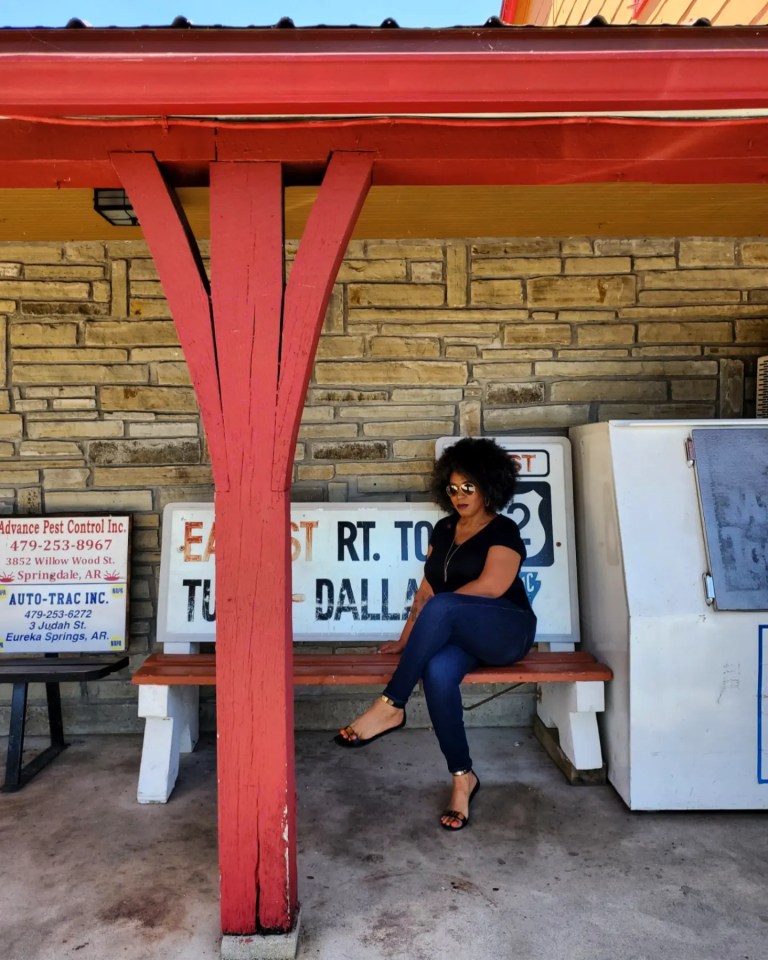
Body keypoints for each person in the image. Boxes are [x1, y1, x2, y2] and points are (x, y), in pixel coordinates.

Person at [334, 437, 537, 831]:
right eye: (453, 488)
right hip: (464, 636)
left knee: (444, 606)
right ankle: (463, 779)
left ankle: (391, 705)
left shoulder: (503, 529)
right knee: (439, 674)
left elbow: (493, 587)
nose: (459, 496)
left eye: (469, 488)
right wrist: (407, 637)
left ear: (488, 487)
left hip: (506, 630)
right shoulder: (444, 529)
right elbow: (427, 591)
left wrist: (442, 613)